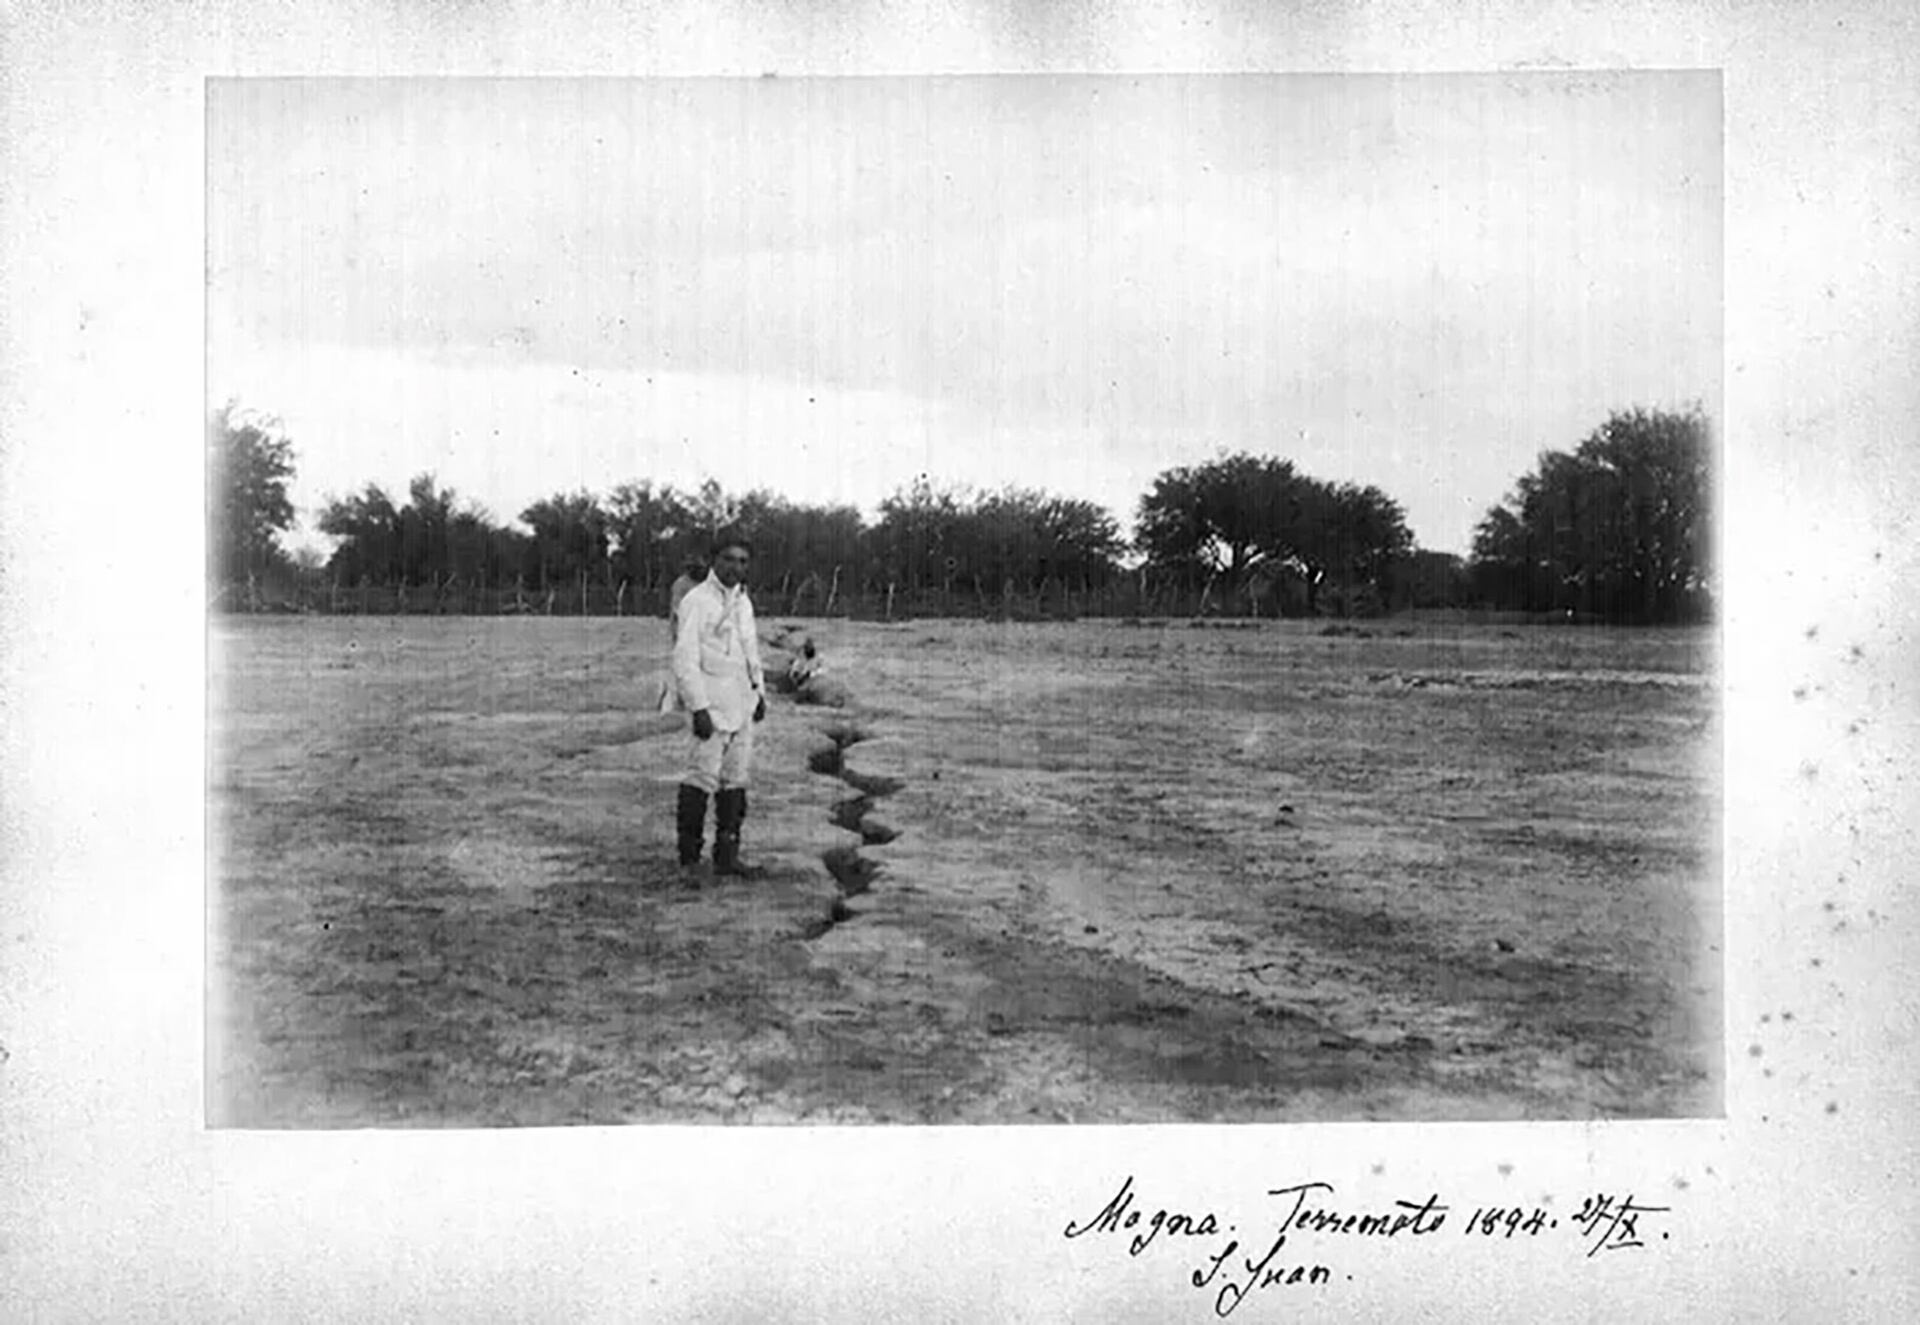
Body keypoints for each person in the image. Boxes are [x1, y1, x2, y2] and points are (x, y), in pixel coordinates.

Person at [670, 528, 768, 882]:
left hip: (741, 704)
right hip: (710, 707)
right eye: (728, 559)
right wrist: (698, 707)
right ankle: (690, 861)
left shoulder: (743, 602)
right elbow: (684, 659)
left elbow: (750, 651)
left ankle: (727, 856)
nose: (735, 567)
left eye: (742, 561)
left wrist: (759, 694)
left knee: (735, 782)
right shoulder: (696, 600)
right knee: (700, 779)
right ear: (714, 560)